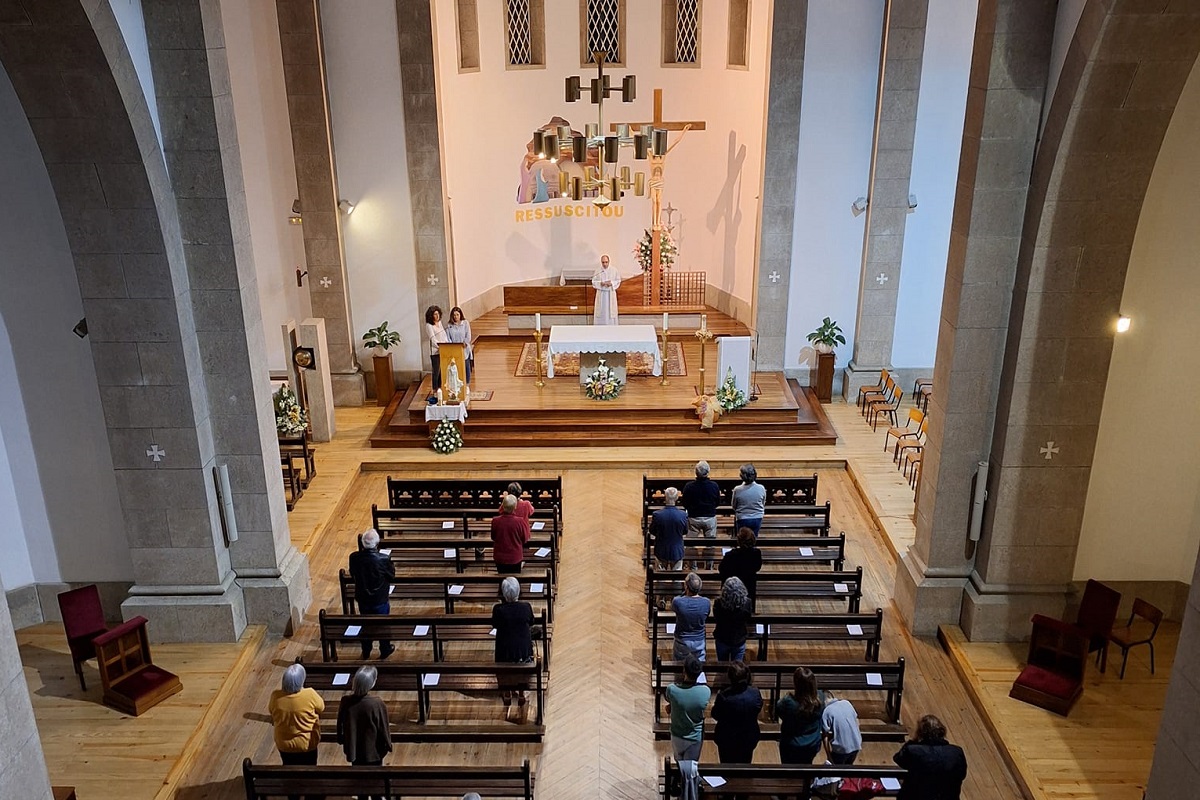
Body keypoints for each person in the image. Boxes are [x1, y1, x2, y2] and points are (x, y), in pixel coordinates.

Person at [268, 663, 324, 800]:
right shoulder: (309, 694)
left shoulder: (276, 696)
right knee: (310, 770)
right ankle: (310, 794)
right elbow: (321, 707)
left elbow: (271, 711)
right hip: (306, 743)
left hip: (284, 744)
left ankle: (293, 794)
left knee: (290, 769)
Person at [336, 665, 392, 798]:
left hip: (355, 749)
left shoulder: (346, 701)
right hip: (374, 751)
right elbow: (384, 728)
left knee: (360, 785)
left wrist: (342, 740)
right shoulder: (377, 703)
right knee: (375, 786)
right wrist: (388, 745)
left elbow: (340, 724)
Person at [893, 714, 968, 799]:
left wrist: (914, 740)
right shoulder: (956, 752)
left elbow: (898, 759)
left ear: (921, 733)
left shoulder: (913, 750)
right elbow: (962, 775)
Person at [348, 528, 396, 659]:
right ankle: (385, 648)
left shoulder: (354, 557)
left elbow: (353, 574)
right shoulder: (383, 559)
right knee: (383, 625)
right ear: (377, 543)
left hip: (363, 598)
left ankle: (366, 649)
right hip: (379, 599)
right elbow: (392, 575)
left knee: (366, 624)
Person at [493, 576, 536, 720]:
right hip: (523, 652)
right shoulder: (526, 607)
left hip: (504, 653)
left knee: (503, 655)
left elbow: (494, 625)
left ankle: (506, 692)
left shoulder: (498, 609)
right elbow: (531, 622)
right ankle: (522, 693)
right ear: (518, 591)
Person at [711, 660, 763, 764]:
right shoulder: (755, 693)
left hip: (727, 739)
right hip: (748, 737)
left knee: (726, 767)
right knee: (745, 765)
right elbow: (758, 708)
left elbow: (715, 714)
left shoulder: (724, 696)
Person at [665, 654, 711, 762]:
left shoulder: (672, 689)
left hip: (677, 734)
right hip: (695, 736)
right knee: (690, 768)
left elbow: (671, 700)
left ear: (684, 670)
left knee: (678, 761)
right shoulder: (705, 691)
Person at [776, 666, 824, 764]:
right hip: (812, 743)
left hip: (791, 744)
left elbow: (779, 711)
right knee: (807, 767)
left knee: (788, 771)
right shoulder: (820, 699)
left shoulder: (788, 702)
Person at [682, 460, 721, 567]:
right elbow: (717, 502)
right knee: (710, 545)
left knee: (691, 545)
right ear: (708, 472)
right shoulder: (714, 486)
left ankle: (693, 566)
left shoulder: (689, 486)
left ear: (696, 472)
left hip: (693, 518)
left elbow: (684, 503)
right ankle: (709, 566)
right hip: (710, 518)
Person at [719, 528, 763, 610]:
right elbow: (758, 567)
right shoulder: (756, 553)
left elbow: (721, 569)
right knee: (747, 610)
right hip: (749, 585)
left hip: (732, 588)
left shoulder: (730, 555)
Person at [671, 572, 711, 661]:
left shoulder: (678, 601)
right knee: (698, 666)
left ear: (686, 587)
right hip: (699, 640)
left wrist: (684, 593)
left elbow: (673, 608)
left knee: (679, 664)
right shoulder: (706, 602)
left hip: (682, 641)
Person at [712, 577, 753, 663]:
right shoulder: (747, 603)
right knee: (737, 667)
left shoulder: (718, 603)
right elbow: (748, 618)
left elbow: (716, 618)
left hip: (722, 638)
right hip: (739, 639)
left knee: (722, 665)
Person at [491, 493, 530, 573]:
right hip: (515, 557)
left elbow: (493, 537)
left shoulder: (495, 521)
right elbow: (525, 539)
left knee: (502, 578)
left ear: (503, 506)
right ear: (515, 507)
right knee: (514, 580)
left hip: (499, 557)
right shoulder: (520, 521)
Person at [652, 486, 688, 570]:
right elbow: (685, 531)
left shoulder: (657, 515)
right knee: (677, 578)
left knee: (660, 578)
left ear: (665, 497)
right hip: (677, 550)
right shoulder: (682, 515)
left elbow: (652, 530)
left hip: (661, 550)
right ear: (676, 498)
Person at [821, 694, 863, 765]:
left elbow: (825, 736)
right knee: (848, 768)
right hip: (856, 744)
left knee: (836, 771)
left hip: (841, 749)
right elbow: (857, 721)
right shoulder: (847, 703)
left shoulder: (826, 711)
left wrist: (829, 756)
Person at [731, 463, 765, 538]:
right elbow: (763, 503)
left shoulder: (737, 489)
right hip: (757, 518)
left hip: (742, 518)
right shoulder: (761, 488)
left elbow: (734, 506)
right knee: (754, 538)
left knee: (742, 539)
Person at [444, 306, 474, 382]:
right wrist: (452, 346)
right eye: (454, 315)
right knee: (456, 369)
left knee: (466, 367)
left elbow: (468, 335)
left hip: (464, 348)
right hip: (454, 350)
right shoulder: (449, 325)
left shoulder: (465, 323)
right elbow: (448, 338)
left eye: (457, 314)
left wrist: (465, 343)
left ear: (460, 315)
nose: (456, 316)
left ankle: (467, 384)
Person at [591, 254, 621, 325]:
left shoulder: (614, 270)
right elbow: (593, 281)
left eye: (606, 262)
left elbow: (618, 280)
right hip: (601, 294)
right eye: (603, 262)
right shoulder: (598, 271)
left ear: (609, 261)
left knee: (610, 312)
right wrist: (600, 284)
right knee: (601, 312)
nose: (605, 264)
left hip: (610, 293)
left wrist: (611, 283)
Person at [425, 305, 448, 391]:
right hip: (435, 352)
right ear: (431, 316)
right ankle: (435, 389)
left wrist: (446, 344)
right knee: (436, 372)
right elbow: (433, 339)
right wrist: (440, 347)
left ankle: (440, 388)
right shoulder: (429, 326)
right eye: (435, 314)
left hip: (443, 350)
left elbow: (444, 335)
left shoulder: (440, 323)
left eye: (438, 314)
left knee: (442, 371)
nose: (437, 316)